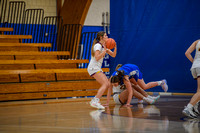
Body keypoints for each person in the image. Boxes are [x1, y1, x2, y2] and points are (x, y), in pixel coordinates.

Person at [87, 31, 117, 110]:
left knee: (106, 84)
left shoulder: (103, 46)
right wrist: (104, 51)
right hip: (93, 67)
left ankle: (96, 100)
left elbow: (113, 55)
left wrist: (115, 46)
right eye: (105, 36)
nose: (107, 37)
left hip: (96, 68)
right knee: (106, 84)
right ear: (101, 37)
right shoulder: (98, 46)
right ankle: (95, 100)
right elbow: (97, 57)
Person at [182, 39, 200, 118]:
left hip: (195, 67)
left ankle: (194, 108)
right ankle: (189, 107)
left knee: (199, 91)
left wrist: (194, 62)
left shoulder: (197, 41)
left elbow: (187, 53)